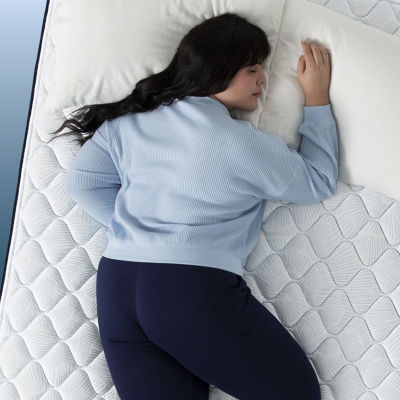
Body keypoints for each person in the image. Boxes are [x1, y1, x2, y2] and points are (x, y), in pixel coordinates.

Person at [49, 12, 337, 400]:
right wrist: (317, 98)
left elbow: (83, 182)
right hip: (186, 291)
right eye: (253, 69)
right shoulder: (241, 143)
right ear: (219, 69)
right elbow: (317, 181)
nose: (263, 80)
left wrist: (132, 231)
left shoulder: (129, 122)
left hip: (118, 285)